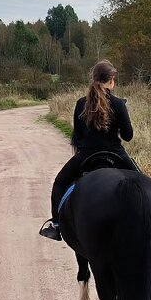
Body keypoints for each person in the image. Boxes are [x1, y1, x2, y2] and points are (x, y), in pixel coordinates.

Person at [39, 60, 138, 241]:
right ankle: (150, 224)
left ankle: (56, 225)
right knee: (143, 183)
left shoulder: (80, 104)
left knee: (60, 183)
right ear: (111, 80)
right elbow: (128, 136)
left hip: (86, 156)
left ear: (94, 79)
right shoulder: (118, 104)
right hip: (116, 154)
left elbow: (77, 136)